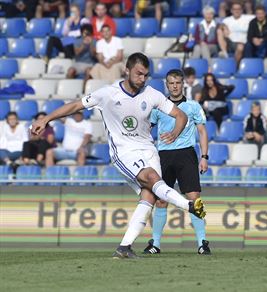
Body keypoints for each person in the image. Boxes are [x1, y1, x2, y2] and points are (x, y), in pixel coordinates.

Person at [31, 53, 206, 259]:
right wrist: (48, 119)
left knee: (149, 195)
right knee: (152, 179)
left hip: (148, 149)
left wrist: (176, 132)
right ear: (127, 70)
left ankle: (124, 247)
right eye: (139, 74)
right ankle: (189, 206)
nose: (143, 79)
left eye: (146, 75)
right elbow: (76, 105)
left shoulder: (152, 94)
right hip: (124, 151)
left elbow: (181, 115)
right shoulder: (108, 93)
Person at [143, 69, 210, 255]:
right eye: (171, 83)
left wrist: (204, 157)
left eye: (178, 83)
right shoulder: (159, 107)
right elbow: (146, 129)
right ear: (167, 84)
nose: (174, 86)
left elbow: (202, 132)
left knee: (194, 199)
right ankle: (155, 244)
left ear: (183, 84)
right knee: (161, 201)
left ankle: (202, 243)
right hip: (163, 156)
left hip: (186, 155)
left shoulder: (193, 106)